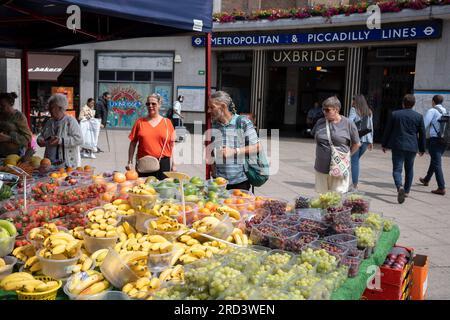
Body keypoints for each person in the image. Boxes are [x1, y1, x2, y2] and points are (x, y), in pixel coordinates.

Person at [207, 91, 260, 191]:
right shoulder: (214, 125)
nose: (209, 110)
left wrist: (234, 151)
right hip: (219, 182)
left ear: (222, 106)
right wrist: (213, 172)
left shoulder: (242, 122)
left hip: (240, 182)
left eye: (212, 107)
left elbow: (257, 147)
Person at [382, 94, 426, 204]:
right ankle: (406, 191)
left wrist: (384, 144)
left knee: (397, 169)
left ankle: (399, 186)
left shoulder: (395, 114)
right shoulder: (419, 116)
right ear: (414, 104)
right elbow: (422, 133)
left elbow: (388, 130)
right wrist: (422, 148)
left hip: (398, 145)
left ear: (403, 103)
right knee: (409, 169)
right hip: (412, 147)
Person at [312, 96, 360, 194]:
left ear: (336, 109)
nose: (324, 112)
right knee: (322, 198)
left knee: (337, 198)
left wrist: (346, 155)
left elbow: (357, 143)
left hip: (339, 167)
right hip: (321, 167)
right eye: (323, 109)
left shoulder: (348, 123)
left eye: (327, 110)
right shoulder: (320, 122)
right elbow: (316, 137)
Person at [126, 94, 176, 179]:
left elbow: (172, 145)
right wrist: (130, 161)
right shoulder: (140, 122)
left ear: (159, 104)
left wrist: (174, 164)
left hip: (163, 164)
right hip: (144, 163)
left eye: (153, 104)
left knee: (162, 190)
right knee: (144, 190)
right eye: (148, 104)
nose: (150, 106)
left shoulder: (167, 123)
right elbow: (133, 143)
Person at [37, 94, 83, 168]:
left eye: (51, 107)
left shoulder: (70, 121)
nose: (49, 109)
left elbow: (79, 139)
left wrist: (61, 141)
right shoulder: (49, 122)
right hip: (49, 163)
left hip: (67, 165)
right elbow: (42, 136)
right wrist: (40, 140)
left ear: (60, 108)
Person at [419, 95, 447, 195]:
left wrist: (419, 136)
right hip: (445, 140)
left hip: (435, 140)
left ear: (433, 101)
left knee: (436, 163)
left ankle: (441, 187)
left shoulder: (432, 111)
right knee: (435, 160)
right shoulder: (445, 111)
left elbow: (424, 125)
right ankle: (426, 179)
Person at [349, 95, 374, 190]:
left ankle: (354, 185)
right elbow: (371, 127)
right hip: (366, 141)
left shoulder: (354, 110)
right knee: (355, 161)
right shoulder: (369, 111)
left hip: (357, 139)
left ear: (356, 102)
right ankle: (352, 182)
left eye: (353, 101)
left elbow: (350, 122)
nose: (352, 103)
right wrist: (371, 141)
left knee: (354, 162)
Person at [0, 92, 32, 157]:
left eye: (3, 105)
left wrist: (9, 138)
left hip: (15, 156)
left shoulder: (19, 117)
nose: (0, 107)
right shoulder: (1, 115)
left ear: (11, 104)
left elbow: (27, 138)